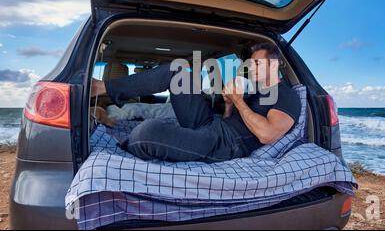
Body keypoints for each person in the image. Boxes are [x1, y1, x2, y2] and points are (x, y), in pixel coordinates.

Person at [91, 43, 301, 163]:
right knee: (177, 70)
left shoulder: (286, 95)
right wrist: (229, 104)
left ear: (273, 65)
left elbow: (267, 134)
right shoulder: (256, 91)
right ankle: (104, 88)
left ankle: (129, 143)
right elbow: (232, 121)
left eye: (256, 62)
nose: (250, 67)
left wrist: (238, 100)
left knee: (146, 131)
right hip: (214, 123)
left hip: (225, 145)